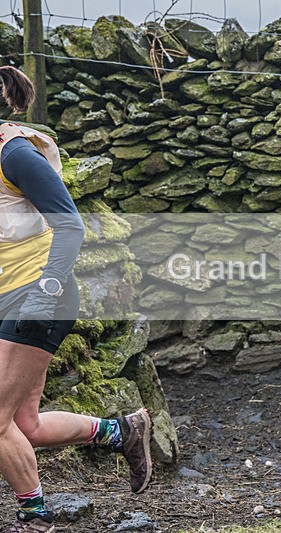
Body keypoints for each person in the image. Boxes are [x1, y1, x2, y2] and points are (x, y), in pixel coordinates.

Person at [0, 66, 152, 532]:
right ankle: (120, 431)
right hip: (10, 294)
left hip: (38, 294)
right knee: (25, 425)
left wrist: (44, 292)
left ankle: (35, 517)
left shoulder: (16, 153)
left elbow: (71, 225)